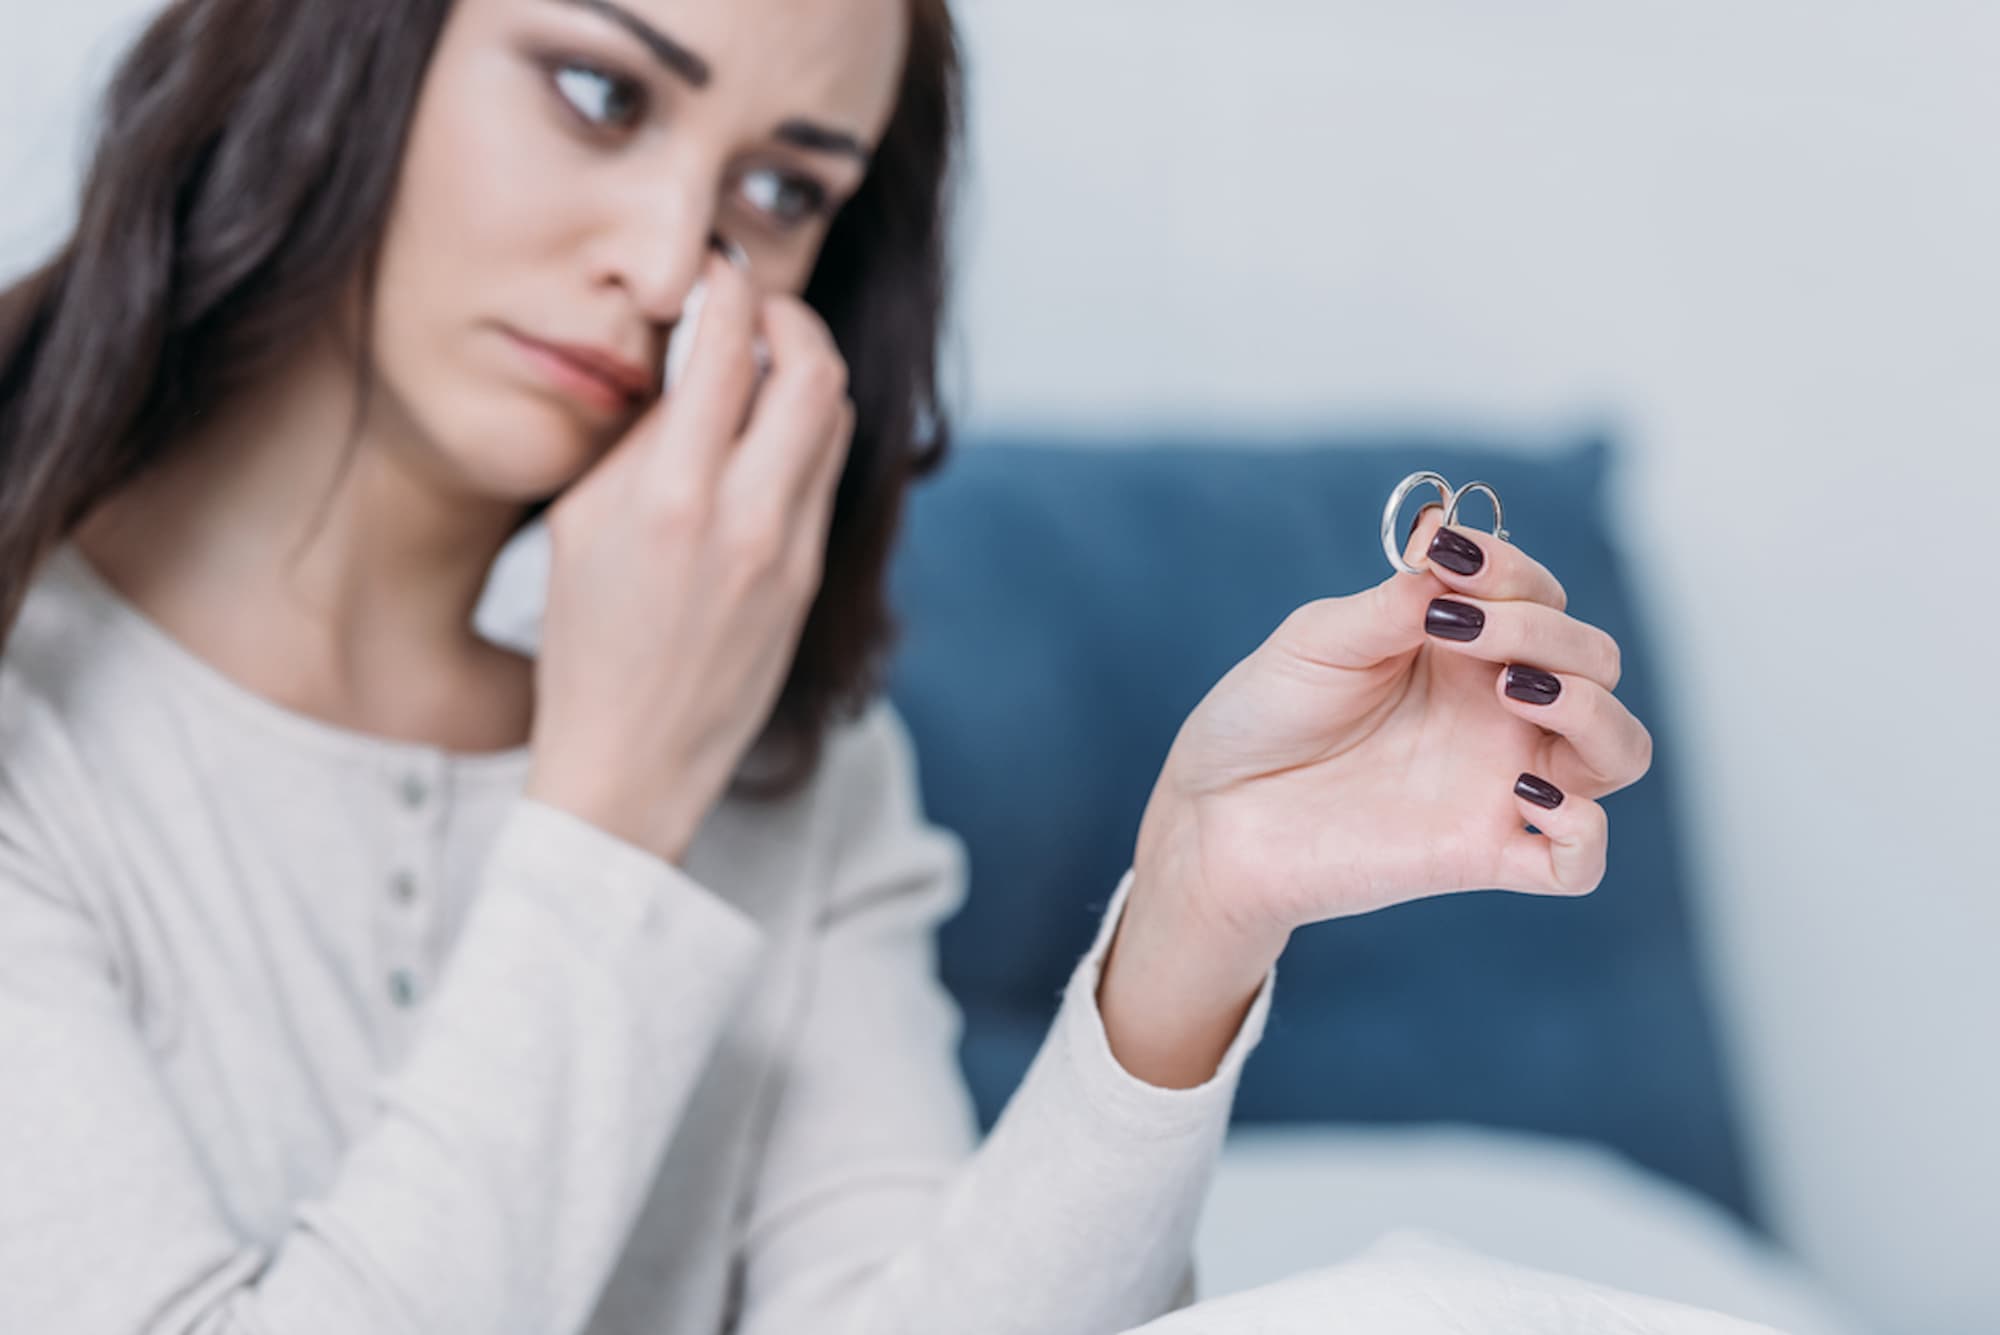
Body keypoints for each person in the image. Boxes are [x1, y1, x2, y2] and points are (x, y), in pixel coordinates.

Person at [0, 2, 1654, 1332]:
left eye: (782, 191)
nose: (668, 264)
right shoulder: (40, 728)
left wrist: (1196, 915)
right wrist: (616, 805)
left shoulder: (784, 746)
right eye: (599, 87)